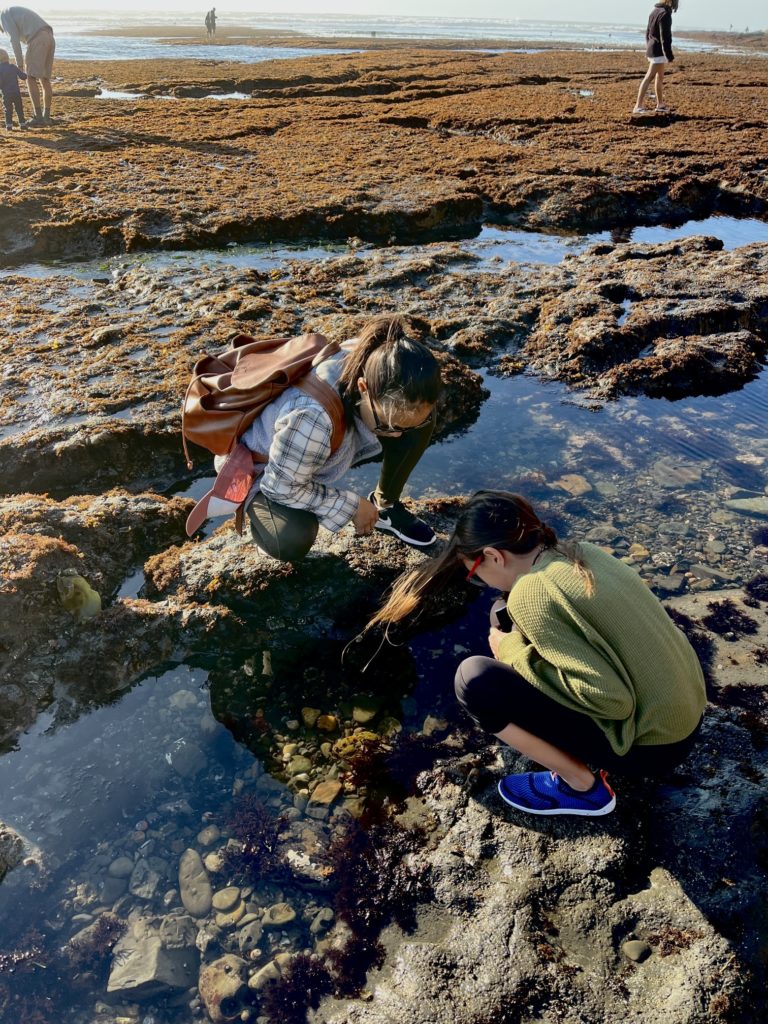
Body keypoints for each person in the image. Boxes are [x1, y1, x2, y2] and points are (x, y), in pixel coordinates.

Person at [370, 490, 706, 817]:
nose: (483, 583)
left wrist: (513, 653)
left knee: (473, 680)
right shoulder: (582, 552)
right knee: (501, 615)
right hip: (684, 718)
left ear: (494, 556)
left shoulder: (532, 594)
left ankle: (583, 789)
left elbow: (610, 700)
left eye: (474, 572)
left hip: (652, 748)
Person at [237, 314, 441, 562]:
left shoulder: (381, 359)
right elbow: (278, 487)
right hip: (264, 469)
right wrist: (351, 505)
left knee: (417, 418)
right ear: (363, 388)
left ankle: (386, 507)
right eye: (390, 426)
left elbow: (405, 418)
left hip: (316, 446)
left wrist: (404, 424)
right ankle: (262, 527)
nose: (397, 436)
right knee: (290, 538)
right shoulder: (312, 419)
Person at [0, 6, 53, 126]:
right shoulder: (11, 11)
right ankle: (46, 117)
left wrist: (19, 64)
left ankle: (38, 117)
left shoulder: (3, 16)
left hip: (37, 39)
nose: (2, 32)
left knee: (30, 78)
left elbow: (14, 40)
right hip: (49, 36)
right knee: (45, 79)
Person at [634, 0, 677, 114]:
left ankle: (660, 104)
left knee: (660, 77)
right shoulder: (664, 14)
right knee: (649, 77)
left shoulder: (654, 11)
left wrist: (648, 46)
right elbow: (665, 37)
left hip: (653, 48)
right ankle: (638, 106)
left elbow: (647, 33)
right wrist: (669, 55)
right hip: (658, 50)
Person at [0, 46, 26, 129]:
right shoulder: (13, 67)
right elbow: (23, 77)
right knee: (19, 109)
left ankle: (9, 126)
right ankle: (22, 124)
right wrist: (27, 72)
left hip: (6, 93)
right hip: (16, 92)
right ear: (7, 57)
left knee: (8, 110)